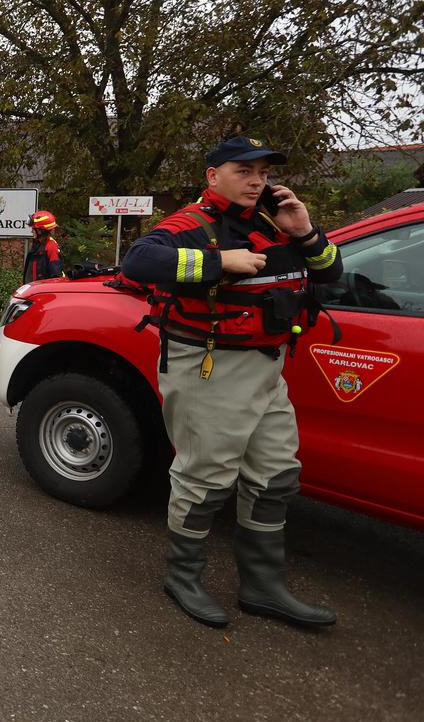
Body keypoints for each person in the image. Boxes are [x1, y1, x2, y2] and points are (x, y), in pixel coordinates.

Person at [122, 135, 343, 629]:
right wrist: (220, 262)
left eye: (262, 171)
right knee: (205, 478)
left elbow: (333, 275)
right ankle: (183, 576)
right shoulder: (191, 224)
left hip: (268, 368)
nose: (257, 180)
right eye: (244, 171)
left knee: (276, 475)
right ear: (213, 175)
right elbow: (138, 261)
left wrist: (306, 232)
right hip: (212, 368)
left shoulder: (274, 222)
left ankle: (263, 587)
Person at [22, 210, 62, 283]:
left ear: (40, 231)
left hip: (44, 291)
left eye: (33, 229)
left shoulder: (51, 246)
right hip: (34, 289)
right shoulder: (38, 245)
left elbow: (56, 275)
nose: (31, 232)